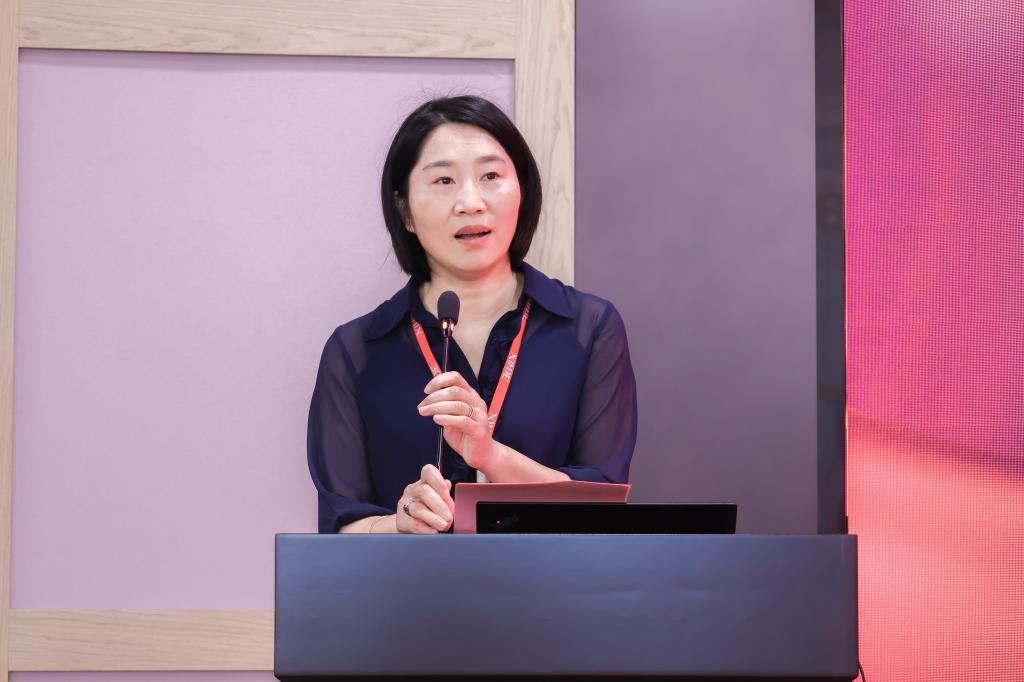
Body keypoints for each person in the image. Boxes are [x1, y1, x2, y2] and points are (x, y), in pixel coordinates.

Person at [307, 95, 637, 534]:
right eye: (443, 180)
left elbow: (605, 509)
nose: (471, 201)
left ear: (522, 190)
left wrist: (490, 455)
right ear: (404, 210)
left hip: (555, 579)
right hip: (408, 580)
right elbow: (340, 528)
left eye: (491, 176)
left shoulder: (588, 328)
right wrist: (398, 524)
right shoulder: (356, 351)